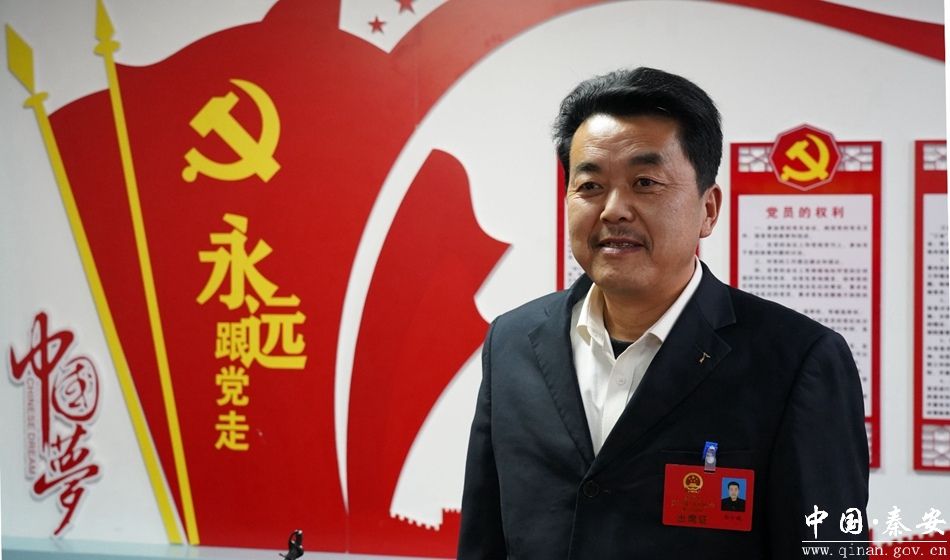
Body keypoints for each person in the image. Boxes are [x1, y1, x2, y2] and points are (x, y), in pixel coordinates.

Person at [457, 67, 869, 559]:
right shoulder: (512, 342)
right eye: (590, 185)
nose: (614, 210)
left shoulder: (796, 360)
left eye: (645, 182)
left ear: (708, 209)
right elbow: (483, 538)